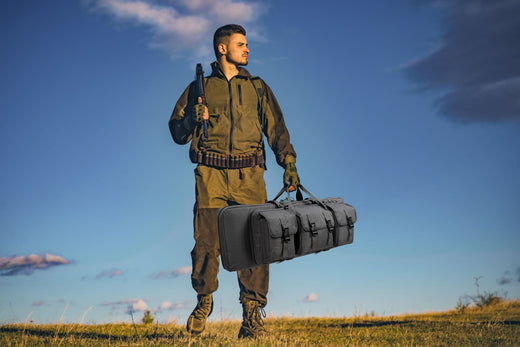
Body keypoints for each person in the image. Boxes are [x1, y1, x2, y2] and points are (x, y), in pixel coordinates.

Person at [168, 24, 299, 338]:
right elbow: (176, 132)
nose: (248, 49)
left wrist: (289, 162)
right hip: (210, 176)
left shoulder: (257, 86)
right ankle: (204, 300)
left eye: (247, 44)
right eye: (242, 44)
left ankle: (251, 317)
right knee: (206, 244)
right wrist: (191, 118)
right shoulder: (198, 88)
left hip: (249, 177)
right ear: (222, 48)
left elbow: (276, 127)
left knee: (255, 246)